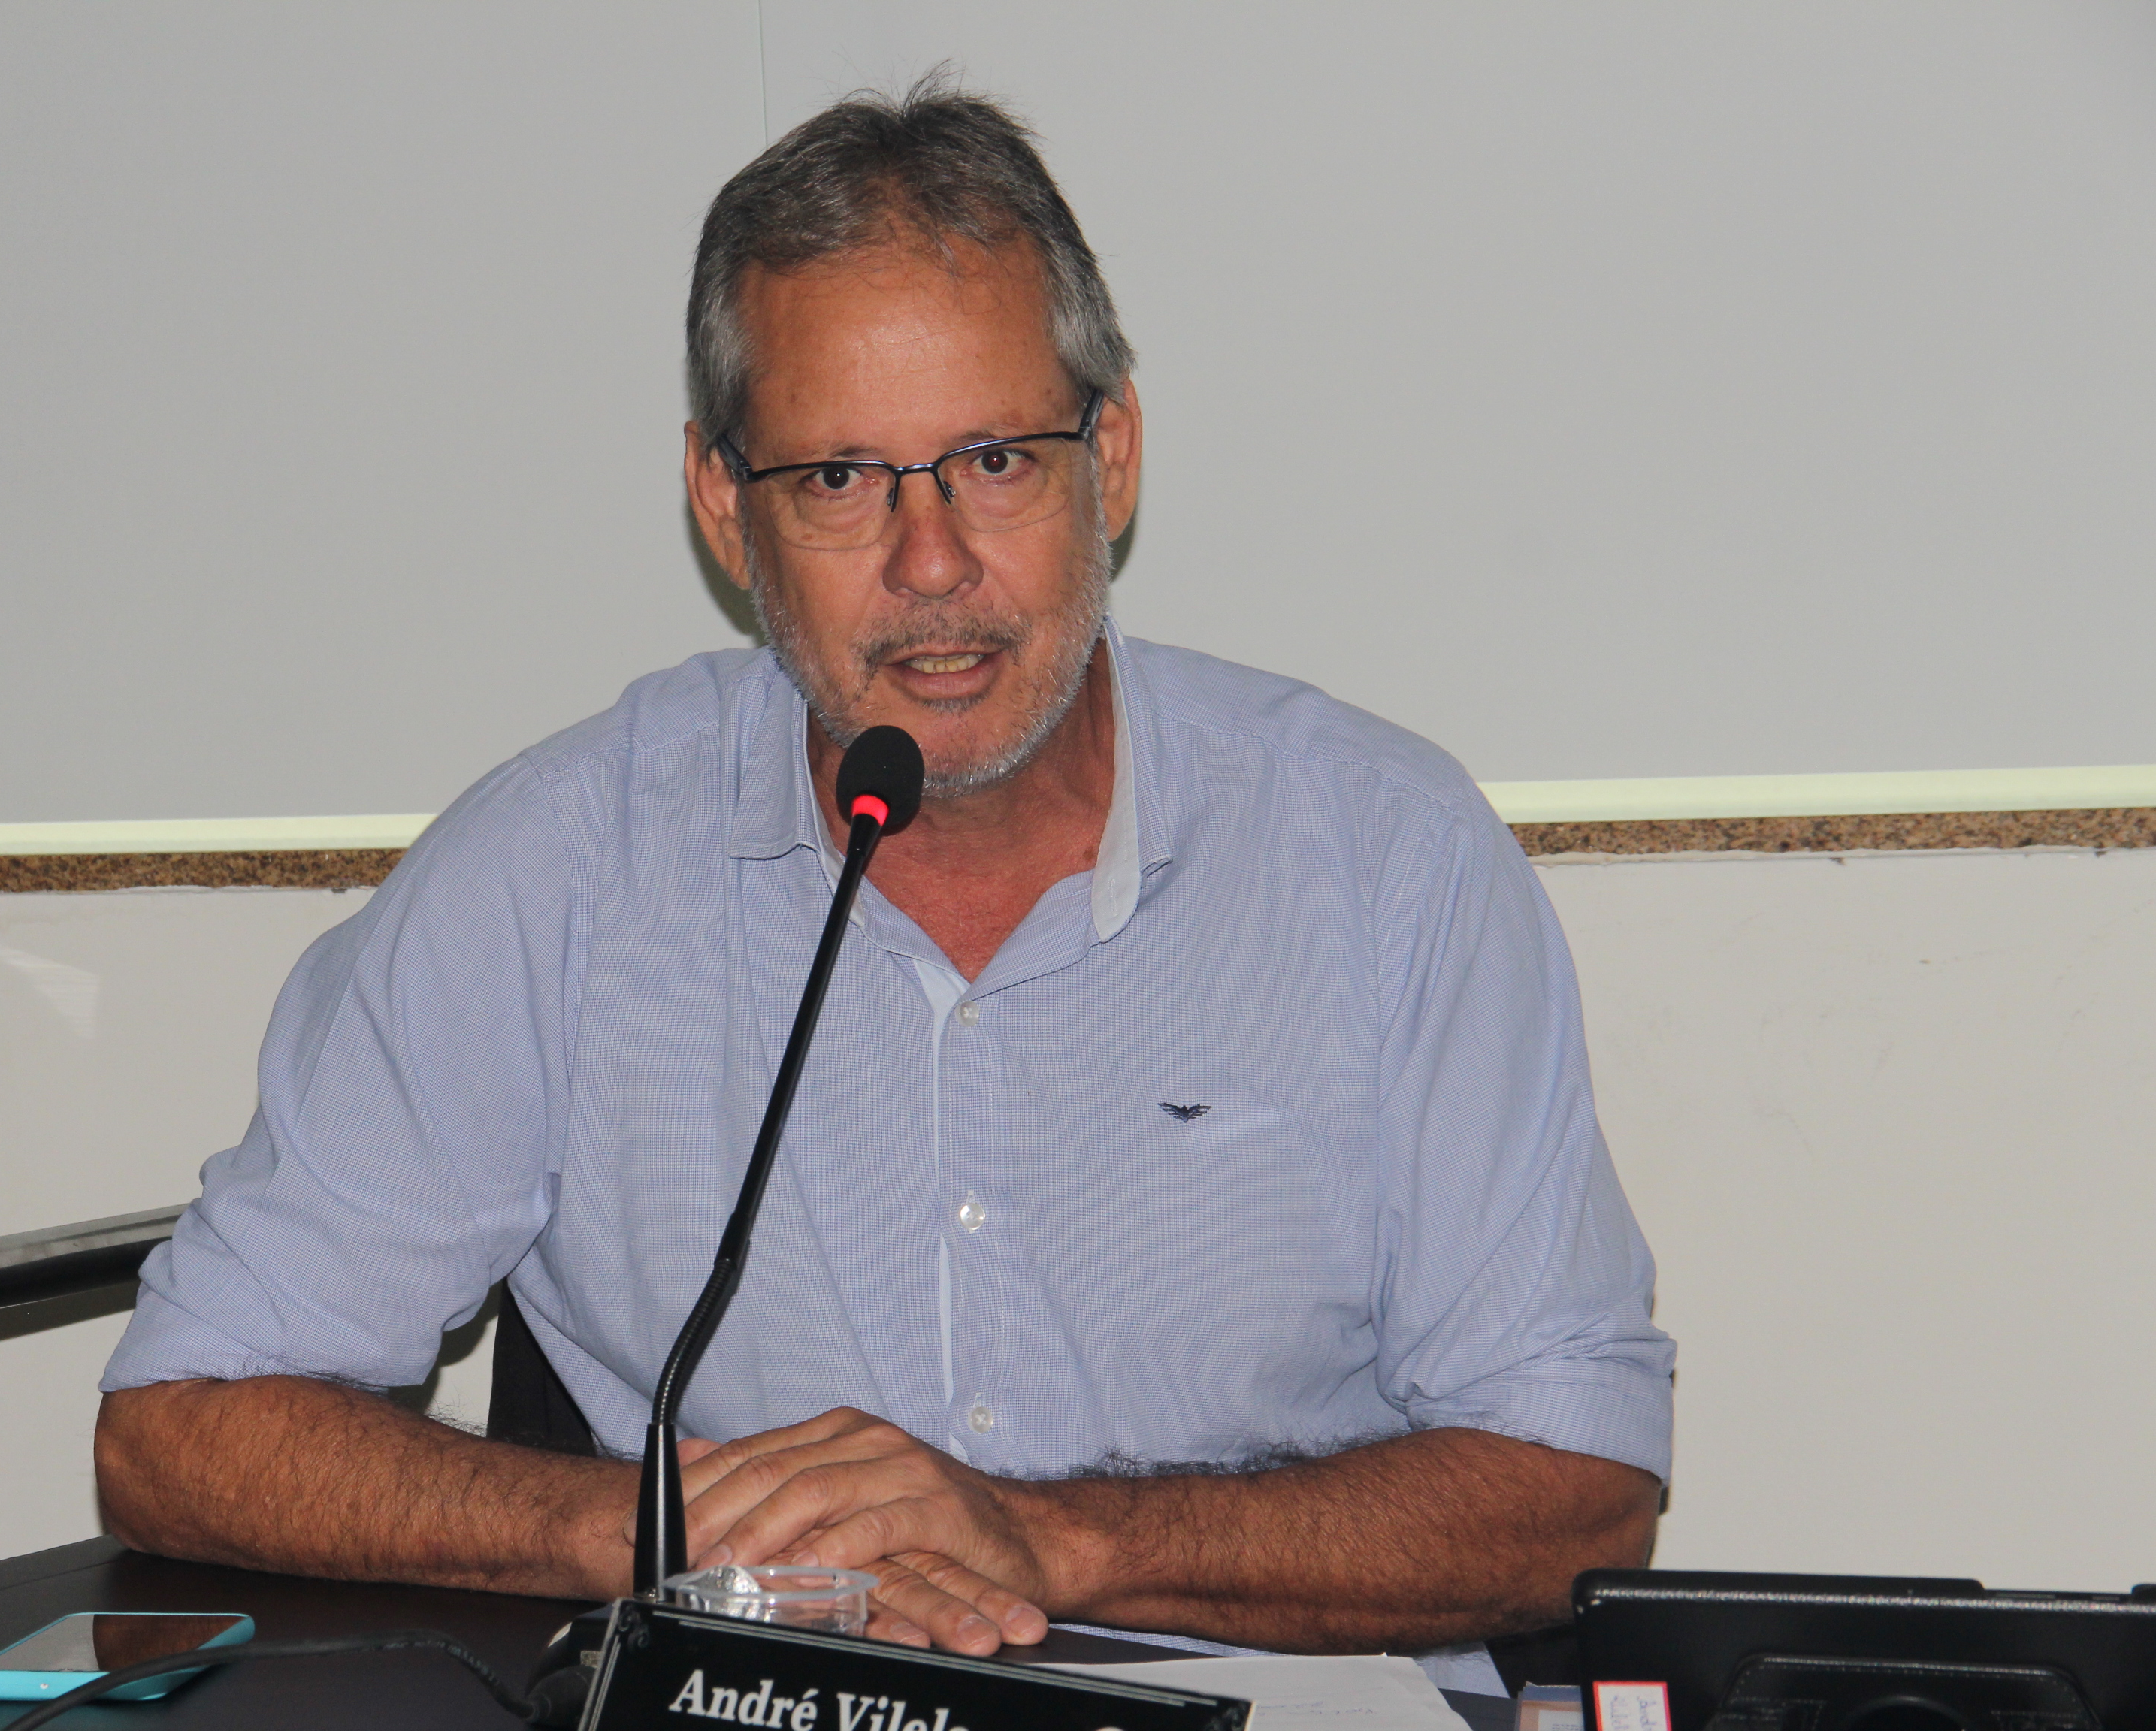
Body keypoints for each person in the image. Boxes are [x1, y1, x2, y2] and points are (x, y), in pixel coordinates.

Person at [94, 79, 1672, 1684]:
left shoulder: (1386, 859)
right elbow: (182, 1428)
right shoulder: (554, 873)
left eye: (993, 459)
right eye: (841, 480)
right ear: (728, 509)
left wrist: (1051, 1541)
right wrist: (662, 1527)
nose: (932, 564)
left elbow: (1576, 1492)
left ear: (1112, 460)